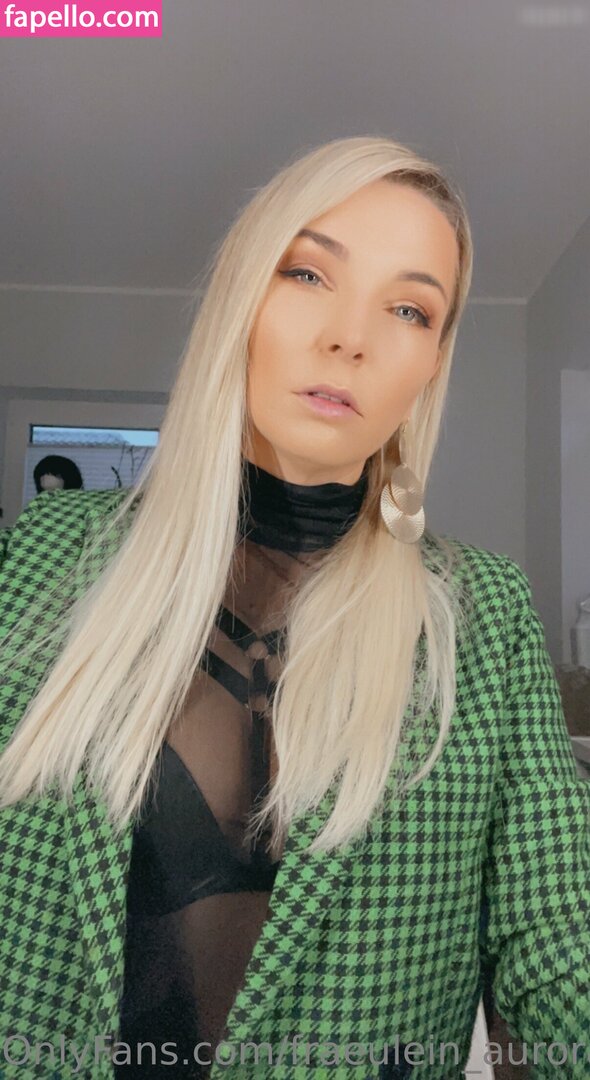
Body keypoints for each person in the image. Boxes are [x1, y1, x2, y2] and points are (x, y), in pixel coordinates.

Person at [0, 135, 588, 1080]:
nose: (352, 337)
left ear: (430, 364)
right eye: (309, 273)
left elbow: (560, 946)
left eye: (408, 308)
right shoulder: (39, 557)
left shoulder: (487, 616)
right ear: (243, 296)